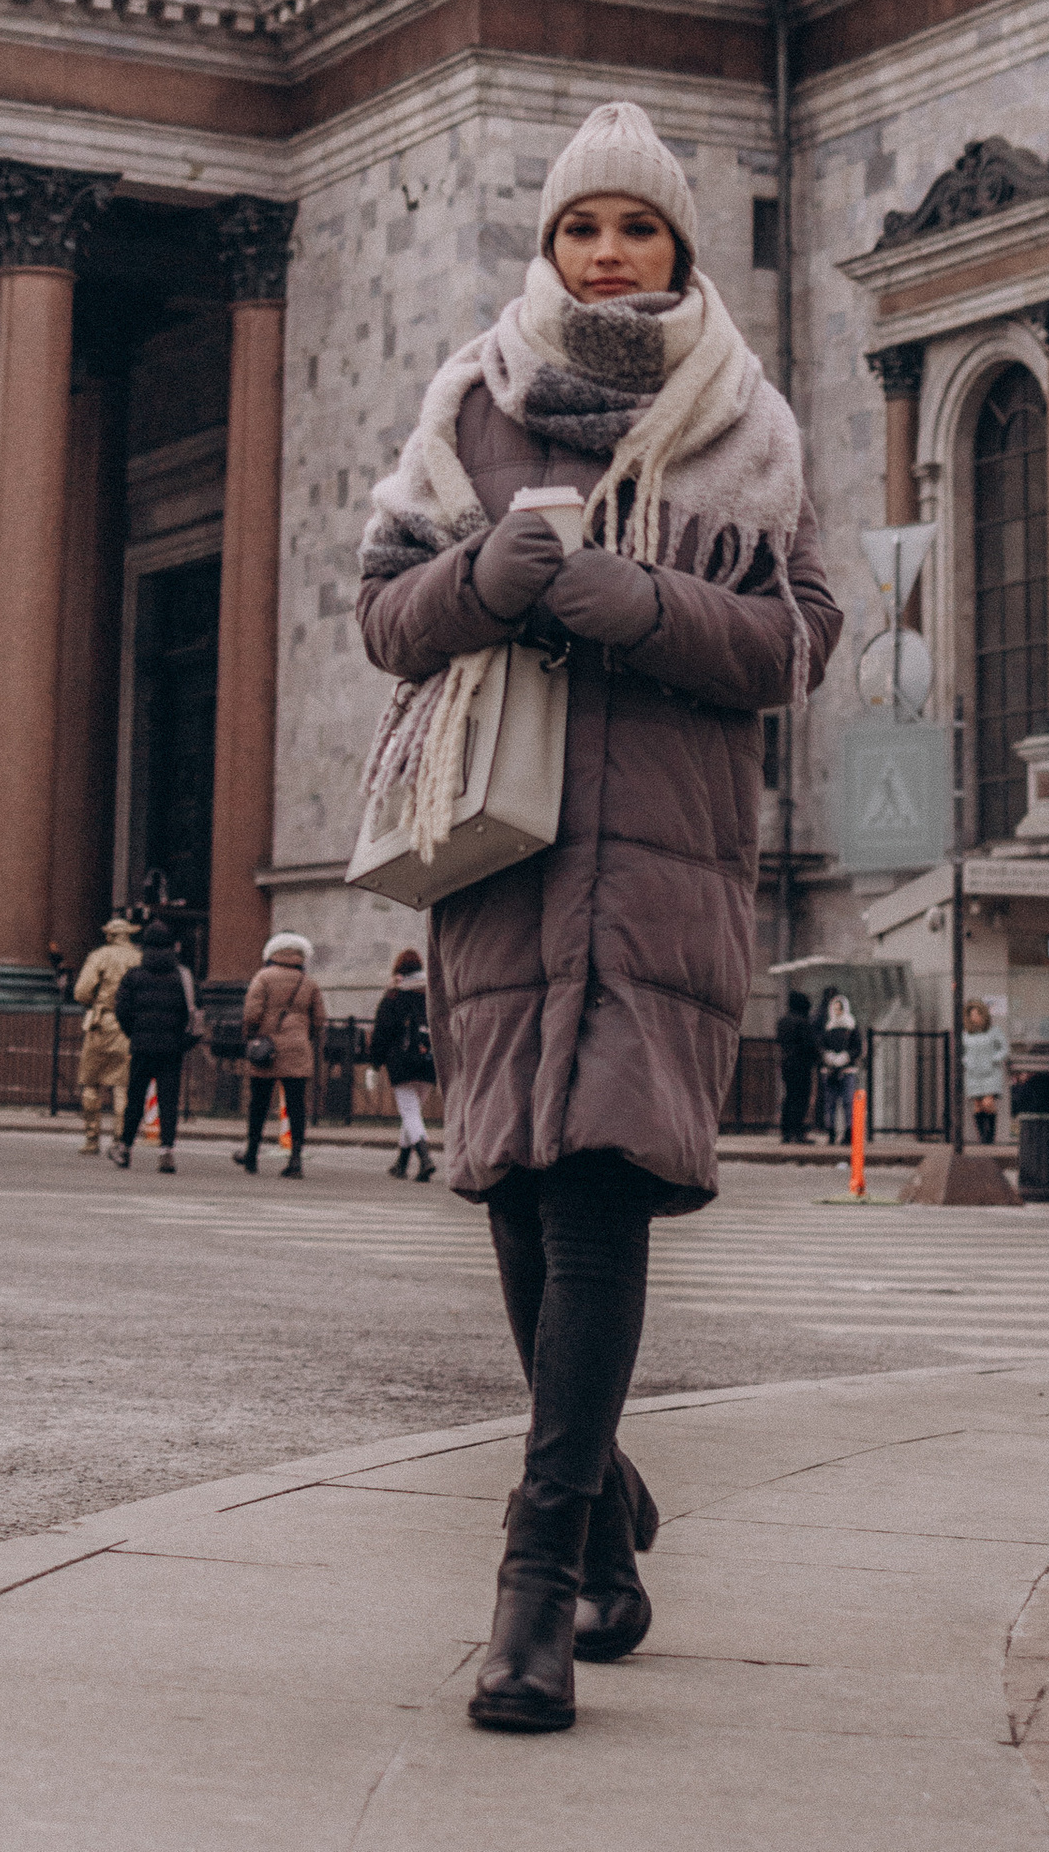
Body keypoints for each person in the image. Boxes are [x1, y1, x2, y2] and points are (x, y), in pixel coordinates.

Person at [358, 96, 838, 1734]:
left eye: (638, 226)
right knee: (511, 1189)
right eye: (584, 227)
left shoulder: (748, 425)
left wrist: (632, 603)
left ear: (679, 245)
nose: (611, 250)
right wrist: (486, 581)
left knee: (599, 1198)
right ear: (550, 246)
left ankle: (533, 1593)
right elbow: (381, 619)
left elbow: (795, 644)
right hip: (503, 857)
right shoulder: (467, 409)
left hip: (666, 864)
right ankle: (611, 1520)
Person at [237, 929, 325, 1178]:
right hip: (298, 1049)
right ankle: (296, 1159)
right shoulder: (308, 982)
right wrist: (305, 1036)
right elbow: (319, 1019)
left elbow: (252, 1013)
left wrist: (251, 1035)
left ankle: (251, 1155)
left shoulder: (263, 977)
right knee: (297, 1106)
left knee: (259, 1104)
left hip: (267, 1048)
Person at [113, 920, 192, 1171]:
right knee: (168, 1102)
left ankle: (125, 1148)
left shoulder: (134, 976)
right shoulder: (182, 977)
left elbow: (122, 1010)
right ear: (171, 946)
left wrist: (134, 1034)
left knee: (135, 1098)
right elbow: (193, 1012)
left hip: (142, 1047)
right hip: (171, 1049)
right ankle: (166, 1150)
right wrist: (181, 1042)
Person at [71, 914, 139, 1154]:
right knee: (122, 1086)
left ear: (110, 935)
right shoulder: (139, 958)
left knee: (91, 1083)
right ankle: (120, 1141)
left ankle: (92, 1139)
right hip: (129, 1025)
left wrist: (96, 1002)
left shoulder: (99, 956)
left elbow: (81, 992)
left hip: (102, 1022)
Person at [370, 946, 436, 1180]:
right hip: (429, 1061)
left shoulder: (395, 995)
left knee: (409, 1112)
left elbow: (383, 1030)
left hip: (403, 1061)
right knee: (413, 1112)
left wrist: (376, 1060)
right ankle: (401, 1163)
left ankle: (426, 1158)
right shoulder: (431, 993)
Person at [817, 990, 863, 1144]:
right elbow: (821, 1046)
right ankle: (831, 1131)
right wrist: (829, 1057)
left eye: (840, 1008)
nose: (837, 1011)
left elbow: (857, 1048)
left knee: (848, 1103)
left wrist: (845, 1057)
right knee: (830, 1103)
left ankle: (849, 1133)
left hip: (847, 1070)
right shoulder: (829, 1027)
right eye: (835, 1008)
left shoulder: (851, 1026)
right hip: (830, 1070)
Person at [961, 997, 1007, 1147]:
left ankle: (990, 1137)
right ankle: (982, 1137)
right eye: (972, 1015)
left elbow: (1004, 1049)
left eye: (977, 1014)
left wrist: (993, 1059)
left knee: (988, 1103)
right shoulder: (966, 1034)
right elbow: (962, 1052)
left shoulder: (994, 1032)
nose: (974, 1018)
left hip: (990, 1073)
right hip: (973, 1074)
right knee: (977, 1105)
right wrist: (966, 1061)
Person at [775, 990, 819, 1143]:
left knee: (789, 1097)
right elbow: (810, 1045)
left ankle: (786, 1131)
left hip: (787, 1064)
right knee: (801, 1099)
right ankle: (798, 1131)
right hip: (802, 1064)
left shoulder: (783, 1022)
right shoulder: (803, 1022)